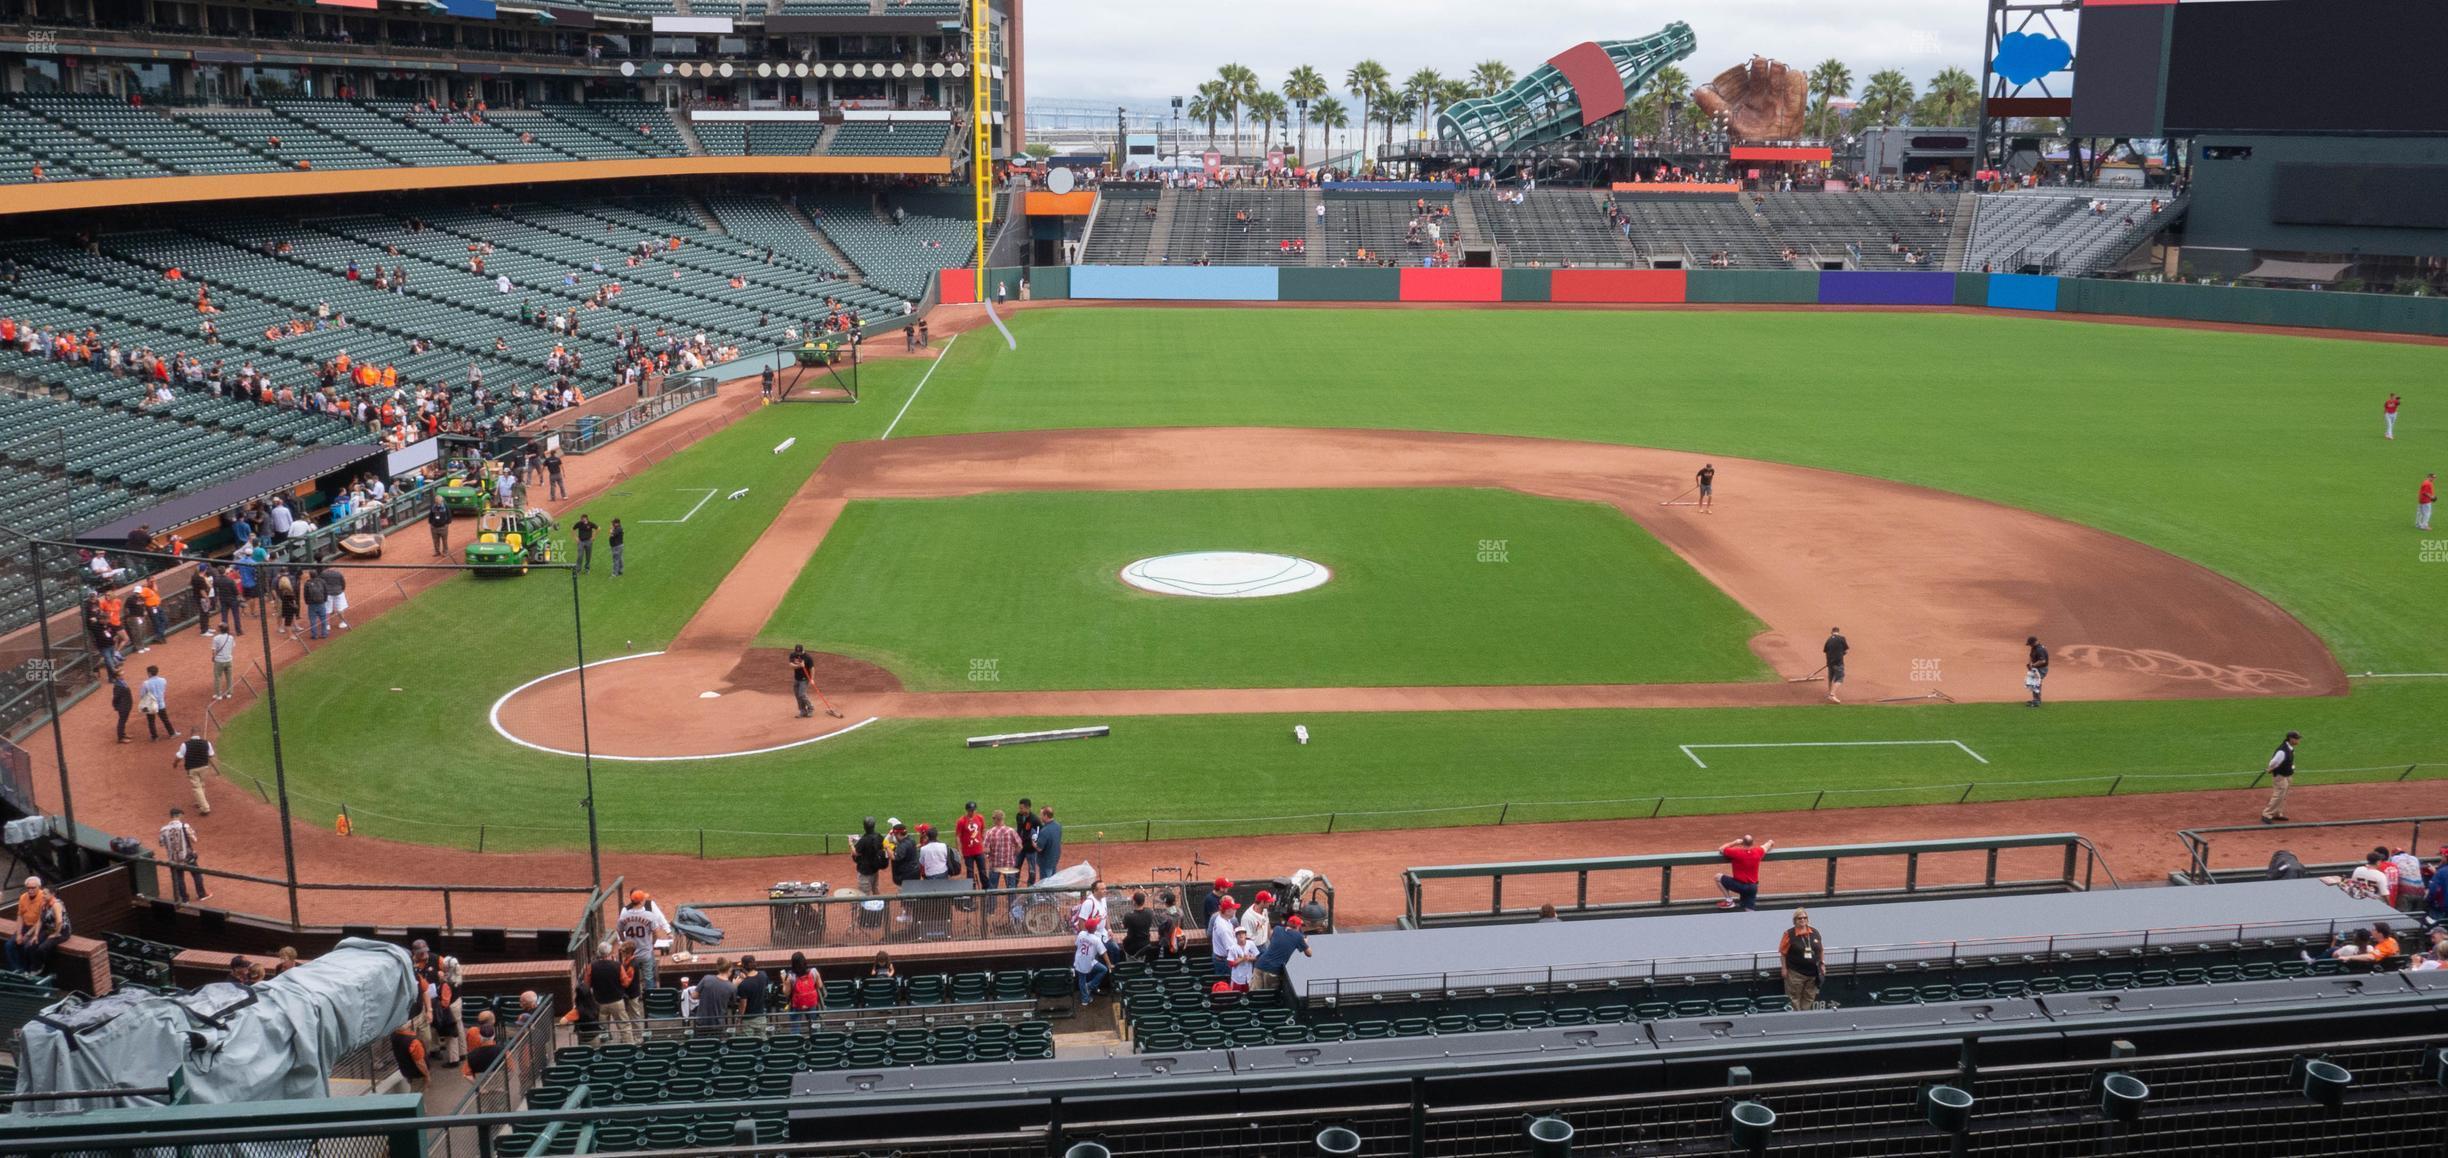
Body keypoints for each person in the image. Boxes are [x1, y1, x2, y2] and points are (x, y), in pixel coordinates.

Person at [615, 889, 671, 991]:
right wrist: (652, 944)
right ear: (641, 902)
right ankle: (650, 998)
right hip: (646, 953)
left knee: (631, 977)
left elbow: (618, 931)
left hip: (630, 954)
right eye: (644, 899)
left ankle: (634, 997)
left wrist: (624, 942)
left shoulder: (624, 915)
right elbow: (656, 933)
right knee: (648, 977)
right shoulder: (649, 916)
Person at [1250, 913, 1312, 995]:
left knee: (1254, 995)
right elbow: (1309, 953)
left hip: (1259, 965)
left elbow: (1272, 938)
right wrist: (1304, 942)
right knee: (1268, 997)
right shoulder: (1298, 936)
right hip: (1273, 970)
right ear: (1297, 927)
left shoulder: (1277, 929)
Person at [588, 940, 635, 1043]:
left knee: (603, 1029)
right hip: (617, 1001)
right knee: (624, 1027)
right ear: (609, 953)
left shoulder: (592, 966)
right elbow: (625, 983)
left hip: (600, 1002)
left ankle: (606, 1050)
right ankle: (630, 1047)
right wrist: (630, 976)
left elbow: (587, 984)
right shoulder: (617, 965)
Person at [6, 877, 57, 972]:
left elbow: (40, 920)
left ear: (39, 887)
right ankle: (18, 969)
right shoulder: (23, 897)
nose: (30, 890)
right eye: (28, 888)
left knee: (27, 946)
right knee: (9, 945)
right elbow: (20, 916)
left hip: (40, 927)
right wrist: (19, 934)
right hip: (26, 926)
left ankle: (28, 970)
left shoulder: (43, 898)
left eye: (33, 888)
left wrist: (28, 934)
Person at [1778, 910, 1825, 1010]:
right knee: (1793, 998)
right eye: (1800, 918)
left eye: (1805, 918)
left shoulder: (1814, 932)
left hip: (1813, 973)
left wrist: (1822, 964)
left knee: (1809, 997)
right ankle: (1796, 1018)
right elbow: (1783, 953)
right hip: (1795, 973)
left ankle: (1804, 1016)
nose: (1803, 920)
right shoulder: (1789, 934)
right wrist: (1784, 968)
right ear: (1795, 920)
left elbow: (1821, 950)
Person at [160, 807, 208, 903]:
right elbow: (194, 840)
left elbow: (161, 844)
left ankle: (184, 899)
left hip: (173, 859)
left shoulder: (163, 829)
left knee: (179, 878)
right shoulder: (184, 826)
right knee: (196, 874)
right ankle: (202, 894)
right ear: (179, 815)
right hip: (187, 857)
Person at [1715, 833, 1773, 911]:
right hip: (1753, 887)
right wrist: (1770, 842)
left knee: (1718, 877)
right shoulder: (1758, 851)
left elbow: (1721, 849)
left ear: (1742, 843)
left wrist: (1735, 842)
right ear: (1752, 843)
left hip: (1739, 885)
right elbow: (1770, 843)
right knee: (1749, 911)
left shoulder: (1736, 852)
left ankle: (1729, 901)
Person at [171, 728, 216, 815]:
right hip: (204, 767)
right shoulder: (207, 743)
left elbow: (179, 757)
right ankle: (200, 802)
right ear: (199, 734)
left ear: (191, 734)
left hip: (192, 769)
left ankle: (205, 808)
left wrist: (175, 764)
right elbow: (211, 755)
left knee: (197, 787)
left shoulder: (185, 744)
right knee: (201, 784)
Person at [2260, 730, 2301, 824]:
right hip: (2280, 776)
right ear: (2291, 739)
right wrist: (2270, 768)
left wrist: (2292, 768)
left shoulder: (2290, 748)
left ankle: (2277, 813)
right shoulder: (2283, 750)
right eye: (2297, 739)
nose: (2298, 741)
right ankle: (2266, 814)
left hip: (2287, 775)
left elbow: (2288, 761)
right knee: (2278, 795)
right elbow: (2274, 762)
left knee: (2284, 795)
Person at [982, 808, 1021, 890]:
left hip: (994, 865)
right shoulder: (1011, 831)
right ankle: (1012, 903)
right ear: (1003, 818)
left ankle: (991, 903)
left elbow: (985, 849)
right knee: (1011, 889)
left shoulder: (990, 832)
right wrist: (1013, 854)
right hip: (1009, 864)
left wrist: (989, 854)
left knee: (992, 889)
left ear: (995, 819)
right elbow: (1020, 846)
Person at [783, 951, 823, 1030]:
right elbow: (820, 985)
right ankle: (815, 1039)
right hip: (811, 1003)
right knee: (814, 1025)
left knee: (795, 1027)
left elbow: (786, 993)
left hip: (797, 1004)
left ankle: (796, 1040)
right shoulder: (814, 972)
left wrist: (784, 982)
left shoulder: (790, 976)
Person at [735, 956, 772, 1034]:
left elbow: (743, 1005)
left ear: (744, 967)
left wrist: (739, 1019)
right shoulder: (763, 975)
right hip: (761, 1016)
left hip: (748, 1019)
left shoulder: (744, 984)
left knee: (750, 1043)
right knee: (762, 1041)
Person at [956, 802, 987, 889]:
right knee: (970, 872)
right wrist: (959, 850)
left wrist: (984, 841)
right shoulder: (961, 821)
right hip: (967, 852)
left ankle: (986, 888)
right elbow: (958, 836)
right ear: (967, 810)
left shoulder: (980, 818)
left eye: (973, 810)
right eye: (970, 811)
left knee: (983, 870)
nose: (972, 812)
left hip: (979, 850)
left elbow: (983, 829)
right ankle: (971, 890)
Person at [851, 816, 886, 894]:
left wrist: (851, 843)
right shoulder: (878, 836)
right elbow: (882, 846)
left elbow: (855, 853)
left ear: (864, 827)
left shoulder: (864, 840)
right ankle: (879, 905)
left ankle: (866, 906)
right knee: (875, 889)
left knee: (864, 894)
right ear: (874, 826)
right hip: (875, 869)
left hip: (865, 871)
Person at [1208, 895, 1241, 978]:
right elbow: (1231, 950)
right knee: (1226, 985)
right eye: (1233, 908)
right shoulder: (1223, 928)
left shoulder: (1222, 918)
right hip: (1224, 961)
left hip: (1220, 958)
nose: (1235, 910)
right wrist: (1243, 957)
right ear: (1227, 911)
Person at [390, 1023, 430, 1090]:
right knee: (417, 1093)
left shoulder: (394, 1036)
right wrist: (427, 1075)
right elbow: (420, 1062)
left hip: (406, 1070)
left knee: (413, 1089)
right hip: (417, 1074)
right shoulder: (413, 1042)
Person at [1120, 892, 1155, 961]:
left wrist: (1122, 923)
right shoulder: (1150, 912)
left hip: (1131, 946)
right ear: (1144, 901)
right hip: (1145, 944)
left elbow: (1124, 926)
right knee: (1142, 962)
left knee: (1131, 963)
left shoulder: (1129, 915)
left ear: (1134, 902)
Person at [1014, 799, 1042, 885]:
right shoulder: (1019, 816)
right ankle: (1014, 887)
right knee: (1016, 868)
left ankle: (1030, 889)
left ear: (1028, 808)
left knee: (1032, 870)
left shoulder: (1035, 820)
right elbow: (1019, 830)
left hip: (1031, 850)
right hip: (1020, 848)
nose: (1020, 810)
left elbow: (1038, 834)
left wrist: (1034, 845)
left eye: (1021, 808)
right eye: (1019, 808)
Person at [789, 645, 819, 718]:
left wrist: (812, 679)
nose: (798, 654)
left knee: (802, 694)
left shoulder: (808, 658)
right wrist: (800, 666)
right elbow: (791, 665)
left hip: (804, 679)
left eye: (799, 652)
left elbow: (812, 669)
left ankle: (810, 708)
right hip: (796, 679)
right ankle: (802, 711)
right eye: (797, 652)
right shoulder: (793, 655)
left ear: (803, 650)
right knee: (797, 695)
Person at [1034, 806, 1064, 880]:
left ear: (1046, 816)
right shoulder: (1058, 826)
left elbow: (1039, 848)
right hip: (1054, 859)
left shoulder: (1045, 830)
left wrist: (1033, 842)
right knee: (1052, 882)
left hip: (1045, 862)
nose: (1040, 817)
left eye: (1041, 815)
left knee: (1045, 884)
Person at [209, 624, 236, 699]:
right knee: (229, 677)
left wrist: (213, 657)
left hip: (219, 661)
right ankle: (229, 693)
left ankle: (218, 694)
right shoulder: (230, 637)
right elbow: (232, 646)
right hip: (229, 660)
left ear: (220, 629)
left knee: (218, 677)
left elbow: (214, 649)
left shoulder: (216, 638)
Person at [1822, 628, 1849, 702]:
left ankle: (1829, 694)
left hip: (1830, 663)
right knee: (1840, 678)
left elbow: (1826, 652)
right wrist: (1841, 654)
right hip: (1838, 663)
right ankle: (1832, 695)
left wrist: (1828, 662)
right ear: (1838, 632)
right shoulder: (1841, 638)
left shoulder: (1828, 640)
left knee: (1831, 678)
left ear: (1831, 632)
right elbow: (1846, 651)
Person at [108, 670, 134, 744]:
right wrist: (117, 706)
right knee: (121, 722)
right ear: (117, 677)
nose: (123, 676)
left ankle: (123, 734)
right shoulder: (118, 686)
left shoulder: (122, 683)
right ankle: (120, 738)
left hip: (126, 705)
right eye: (121, 675)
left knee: (124, 721)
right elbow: (115, 698)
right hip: (123, 707)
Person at [2024, 636, 2049, 707]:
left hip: (2042, 669)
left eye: (2030, 644)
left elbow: (2043, 661)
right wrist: (2029, 663)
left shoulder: (2040, 649)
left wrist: (2033, 665)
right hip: (2036, 668)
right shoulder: (2034, 647)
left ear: (2034, 642)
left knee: (2036, 683)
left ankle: (2037, 701)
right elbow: (2031, 656)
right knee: (2033, 683)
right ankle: (2036, 699)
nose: (2030, 645)